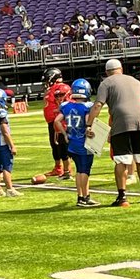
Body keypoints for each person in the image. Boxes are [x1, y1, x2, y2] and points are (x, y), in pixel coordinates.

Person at [85, 58, 140, 207]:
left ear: (107, 72)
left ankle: (122, 197)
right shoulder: (134, 81)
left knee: (121, 160)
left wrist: (89, 124)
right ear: (121, 69)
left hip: (121, 122)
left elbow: (97, 106)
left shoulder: (106, 83)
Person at [54, 78, 99, 208]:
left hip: (72, 141)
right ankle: (85, 197)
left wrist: (64, 134)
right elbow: (87, 122)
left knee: (79, 170)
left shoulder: (66, 106)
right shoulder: (87, 107)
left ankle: (81, 196)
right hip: (84, 142)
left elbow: (57, 121)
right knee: (85, 170)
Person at [41, 68, 73, 179]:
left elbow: (66, 104)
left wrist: (58, 113)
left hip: (60, 122)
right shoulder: (52, 89)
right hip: (52, 122)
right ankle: (58, 168)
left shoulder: (62, 88)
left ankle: (67, 170)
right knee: (55, 145)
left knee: (62, 146)